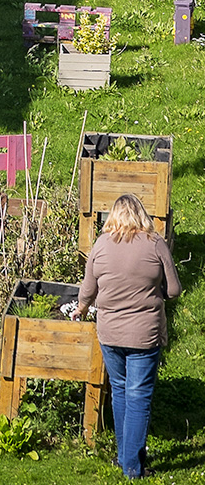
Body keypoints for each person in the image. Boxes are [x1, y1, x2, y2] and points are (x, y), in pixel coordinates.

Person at [77, 193, 181, 479]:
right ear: (142, 215)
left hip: (110, 333)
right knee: (139, 397)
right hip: (144, 333)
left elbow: (87, 290)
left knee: (121, 392)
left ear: (113, 216)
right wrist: (154, 294)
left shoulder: (100, 245)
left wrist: (82, 309)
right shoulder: (155, 244)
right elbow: (173, 290)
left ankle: (125, 457)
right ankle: (132, 468)